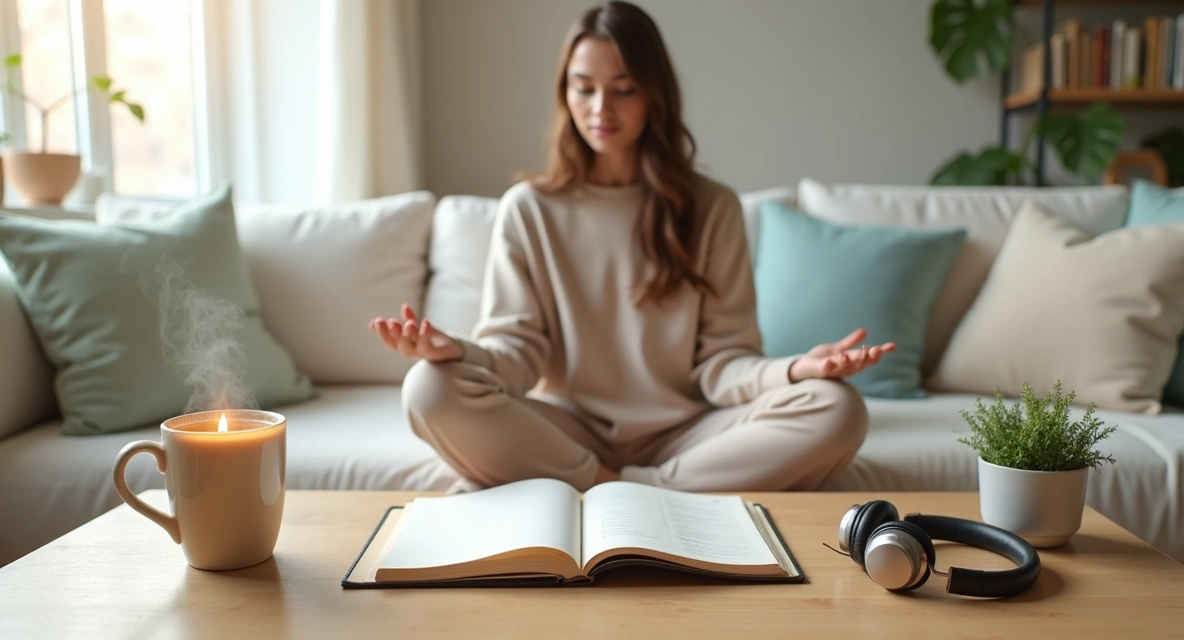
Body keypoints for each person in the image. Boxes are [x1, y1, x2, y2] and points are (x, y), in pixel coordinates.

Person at [370, 0, 893, 493]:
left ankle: (631, 491)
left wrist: (797, 370)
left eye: (623, 89)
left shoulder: (711, 208)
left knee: (837, 407)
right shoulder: (528, 208)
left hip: (689, 432)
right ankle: (622, 485)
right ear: (564, 94)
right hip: (570, 431)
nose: (601, 108)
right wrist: (456, 352)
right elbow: (519, 355)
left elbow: (724, 363)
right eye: (583, 88)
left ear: (654, 95)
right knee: (427, 388)